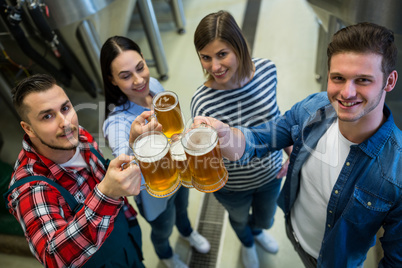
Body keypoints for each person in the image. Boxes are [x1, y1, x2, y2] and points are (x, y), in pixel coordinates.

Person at [194, 22, 402, 267]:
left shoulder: (395, 173)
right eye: (338, 78)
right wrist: (223, 133)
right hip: (294, 232)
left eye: (363, 80)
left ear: (389, 81)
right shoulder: (312, 108)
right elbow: (258, 140)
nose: (347, 92)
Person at [4, 74, 144, 267]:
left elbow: (105, 173)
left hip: (125, 237)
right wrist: (106, 194)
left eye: (65, 108)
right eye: (47, 116)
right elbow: (54, 257)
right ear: (28, 129)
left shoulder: (78, 136)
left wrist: (133, 144)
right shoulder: (31, 189)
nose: (65, 122)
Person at [191, 10, 291, 268]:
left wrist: (293, 155)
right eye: (206, 57)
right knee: (238, 220)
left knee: (266, 219)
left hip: (270, 176)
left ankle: (257, 233)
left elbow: (279, 122)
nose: (214, 67)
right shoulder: (202, 103)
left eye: (222, 54)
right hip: (232, 187)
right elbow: (205, 157)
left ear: (239, 47)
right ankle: (247, 243)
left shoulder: (268, 71)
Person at [101, 36, 210, 268]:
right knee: (162, 228)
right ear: (111, 80)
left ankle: (187, 231)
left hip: (179, 171)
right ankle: (166, 255)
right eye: (125, 75)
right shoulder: (117, 123)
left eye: (141, 67)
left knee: (182, 208)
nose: (139, 80)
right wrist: (133, 139)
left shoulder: (156, 88)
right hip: (155, 193)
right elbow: (124, 165)